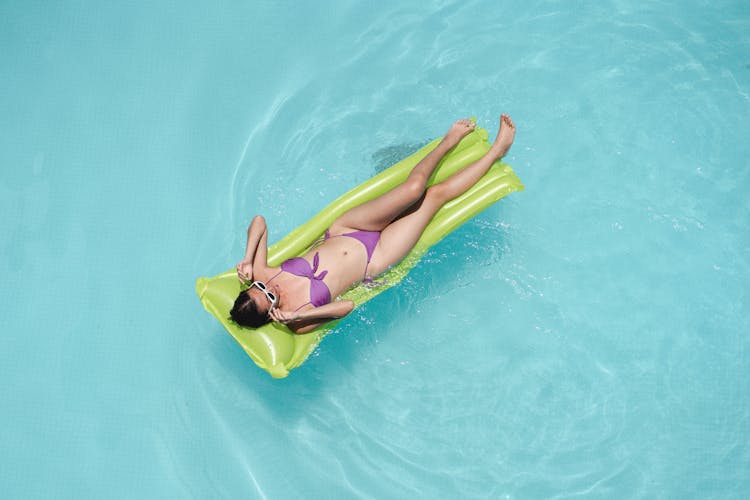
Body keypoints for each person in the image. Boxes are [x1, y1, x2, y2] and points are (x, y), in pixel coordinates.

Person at [231, 115, 516, 333]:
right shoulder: (297, 320)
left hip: (346, 230)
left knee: (414, 188)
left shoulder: (262, 274)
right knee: (434, 196)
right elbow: (346, 306)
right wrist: (297, 316)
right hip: (374, 258)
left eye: (260, 287)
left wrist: (247, 257)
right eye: (269, 297)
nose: (270, 289)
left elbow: (259, 222)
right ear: (269, 314)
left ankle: (448, 142)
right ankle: (496, 153)